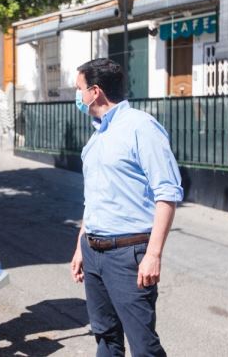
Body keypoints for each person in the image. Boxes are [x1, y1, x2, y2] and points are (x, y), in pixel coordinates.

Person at [70, 58, 183, 357]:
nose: (77, 96)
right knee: (106, 337)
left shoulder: (141, 127)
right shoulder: (98, 136)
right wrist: (82, 245)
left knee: (143, 345)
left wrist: (153, 254)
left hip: (128, 254)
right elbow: (94, 196)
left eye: (79, 89)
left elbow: (168, 193)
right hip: (94, 251)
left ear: (95, 92)